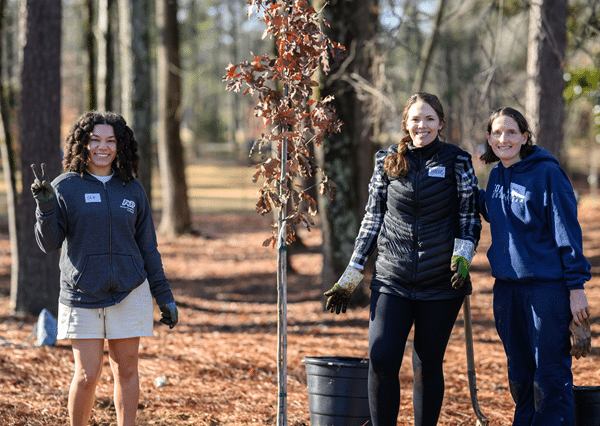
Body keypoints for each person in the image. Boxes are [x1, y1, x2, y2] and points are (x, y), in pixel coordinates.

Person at [324, 92, 481, 426]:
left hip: (441, 283)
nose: (421, 126)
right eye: (415, 119)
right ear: (405, 124)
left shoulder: (457, 161)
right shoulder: (388, 161)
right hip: (391, 280)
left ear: (440, 122)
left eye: (428, 119)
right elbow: (372, 218)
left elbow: (469, 218)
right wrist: (353, 271)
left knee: (427, 365)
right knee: (381, 359)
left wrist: (462, 258)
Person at [31, 111, 179, 426]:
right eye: (95, 139)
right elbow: (49, 243)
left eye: (110, 141)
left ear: (119, 146)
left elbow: (148, 247)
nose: (103, 147)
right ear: (82, 144)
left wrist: (163, 295)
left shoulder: (132, 189)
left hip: (129, 291)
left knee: (126, 371)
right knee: (86, 374)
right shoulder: (65, 187)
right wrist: (45, 207)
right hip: (81, 295)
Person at [478, 107, 591, 426]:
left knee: (550, 378)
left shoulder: (547, 173)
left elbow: (566, 230)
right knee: (520, 377)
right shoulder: (497, 173)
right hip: (507, 291)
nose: (504, 138)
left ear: (525, 136)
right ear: (489, 138)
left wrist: (576, 290)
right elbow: (493, 209)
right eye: (497, 133)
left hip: (546, 292)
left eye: (511, 132)